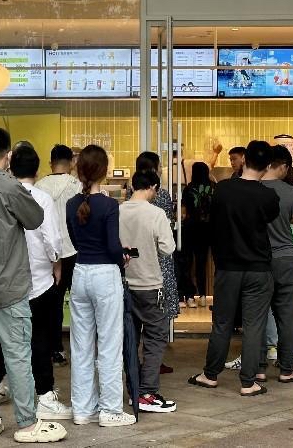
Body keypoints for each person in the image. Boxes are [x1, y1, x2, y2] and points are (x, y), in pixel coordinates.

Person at [0, 129, 66, 443]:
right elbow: (35, 219)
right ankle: (26, 423)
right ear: (8, 156)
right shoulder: (12, 188)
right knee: (18, 355)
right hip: (10, 286)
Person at [187, 141, 279, 396]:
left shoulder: (223, 190)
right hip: (259, 268)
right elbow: (269, 218)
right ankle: (248, 382)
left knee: (222, 323)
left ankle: (210, 374)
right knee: (254, 326)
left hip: (228, 267)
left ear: (245, 159)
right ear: (268, 166)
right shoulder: (269, 196)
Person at [67, 145, 136, 427]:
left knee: (81, 345)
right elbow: (112, 246)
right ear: (104, 171)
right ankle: (110, 410)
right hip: (105, 275)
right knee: (109, 343)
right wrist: (123, 256)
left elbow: (75, 240)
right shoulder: (109, 206)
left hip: (80, 273)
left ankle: (82, 409)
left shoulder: (70, 204)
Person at [10, 142, 74, 424]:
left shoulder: (4, 196)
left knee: (10, 339)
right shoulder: (41, 198)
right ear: (36, 170)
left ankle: (2, 385)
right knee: (41, 338)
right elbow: (52, 239)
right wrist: (56, 262)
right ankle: (45, 394)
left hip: (8, 280)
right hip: (39, 279)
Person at [119, 170, 177, 414]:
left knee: (129, 340)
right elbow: (167, 248)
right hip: (150, 285)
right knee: (155, 338)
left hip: (124, 284)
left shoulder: (118, 211)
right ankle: (147, 393)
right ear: (153, 187)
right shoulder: (156, 213)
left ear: (133, 186)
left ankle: (134, 390)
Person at [257, 146, 293, 383]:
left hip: (258, 260)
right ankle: (287, 369)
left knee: (257, 315)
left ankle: (258, 368)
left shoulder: (252, 190)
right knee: (288, 316)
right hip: (286, 259)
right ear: (284, 166)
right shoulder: (291, 193)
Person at [35, 145, 82, 368]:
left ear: (50, 163)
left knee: (52, 305)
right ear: (71, 162)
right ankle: (81, 350)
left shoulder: (39, 186)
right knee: (80, 304)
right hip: (74, 250)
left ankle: (55, 349)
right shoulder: (77, 186)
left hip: (50, 255)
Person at [180, 162, 216, 308]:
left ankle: (189, 296)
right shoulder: (214, 187)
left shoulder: (188, 188)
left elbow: (183, 211)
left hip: (190, 229)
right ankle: (202, 296)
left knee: (188, 263)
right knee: (202, 263)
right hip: (208, 230)